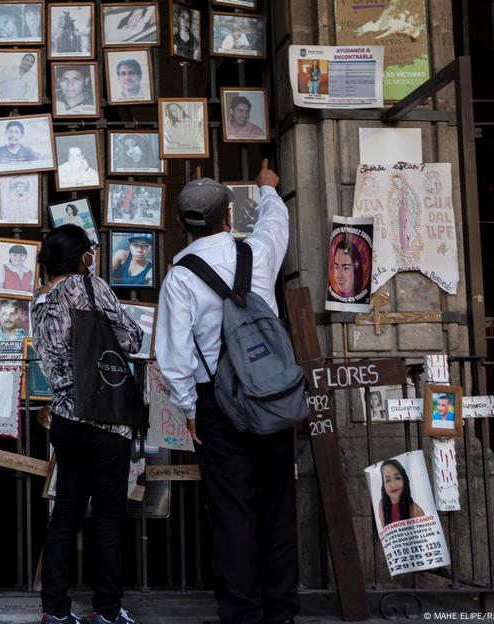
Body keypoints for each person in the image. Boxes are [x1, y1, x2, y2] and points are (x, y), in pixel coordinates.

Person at [154, 160, 296, 624]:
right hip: (271, 396)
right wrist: (268, 189)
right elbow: (277, 222)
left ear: (181, 224)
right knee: (277, 505)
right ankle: (282, 609)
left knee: (232, 512)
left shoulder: (180, 277)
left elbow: (173, 357)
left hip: (217, 403)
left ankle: (242, 614)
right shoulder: (258, 252)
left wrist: (189, 411)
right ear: (229, 217)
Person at [31, 224, 144, 624]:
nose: (93, 257)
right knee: (109, 517)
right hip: (104, 419)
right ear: (83, 256)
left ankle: (55, 611)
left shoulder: (37, 301)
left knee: (65, 514)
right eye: (90, 251)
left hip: (64, 419)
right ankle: (108, 611)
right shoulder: (88, 286)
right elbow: (131, 339)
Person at [378, 459, 426, 527]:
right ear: (383, 484)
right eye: (388, 480)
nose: (393, 485)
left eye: (397, 478)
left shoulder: (415, 510)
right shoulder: (382, 504)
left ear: (404, 480)